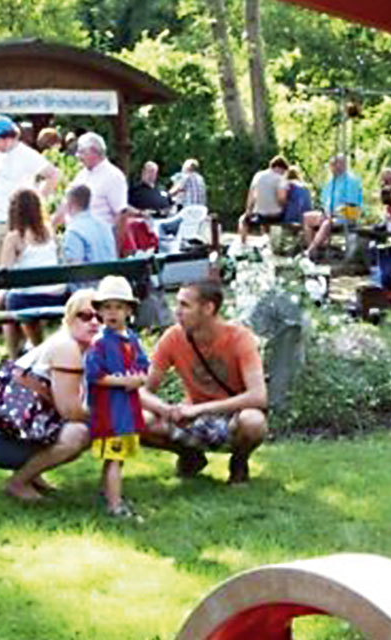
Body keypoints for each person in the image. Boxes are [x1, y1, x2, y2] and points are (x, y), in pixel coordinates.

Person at [0, 289, 100, 501]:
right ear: (69, 319)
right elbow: (70, 411)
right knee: (80, 433)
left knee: (87, 427)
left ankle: (32, 474)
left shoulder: (83, 347)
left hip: (9, 429)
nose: (94, 322)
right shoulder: (67, 347)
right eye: (85, 316)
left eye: (100, 316)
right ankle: (18, 482)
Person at [140, 280, 267, 484]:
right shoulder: (172, 337)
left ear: (208, 308)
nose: (177, 311)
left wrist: (199, 409)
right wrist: (166, 409)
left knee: (253, 421)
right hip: (191, 419)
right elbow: (143, 391)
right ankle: (190, 456)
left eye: (184, 305)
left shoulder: (240, 339)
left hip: (231, 418)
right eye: (177, 304)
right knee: (135, 419)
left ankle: (239, 463)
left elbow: (258, 396)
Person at [86, 276, 149, 519]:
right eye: (107, 307)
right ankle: (115, 505)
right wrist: (123, 381)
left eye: (119, 307)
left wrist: (140, 378)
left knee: (118, 456)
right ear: (99, 311)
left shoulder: (131, 339)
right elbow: (95, 375)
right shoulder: (100, 343)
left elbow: (143, 365)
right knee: (114, 456)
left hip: (126, 409)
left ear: (129, 310)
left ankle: (108, 492)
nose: (112, 313)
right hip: (109, 410)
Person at [0, 114, 59, 269]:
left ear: (7, 137)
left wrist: (36, 200)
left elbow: (54, 175)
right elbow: (0, 183)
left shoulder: (27, 154)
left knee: (15, 267)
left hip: (19, 220)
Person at [0, 188, 68, 358]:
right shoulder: (49, 232)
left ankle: (15, 356)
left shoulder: (15, 237)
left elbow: (4, 275)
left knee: (3, 304)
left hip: (28, 299)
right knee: (10, 301)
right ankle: (32, 348)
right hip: (56, 295)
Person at [52, 131, 141, 256]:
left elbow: (121, 215)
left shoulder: (113, 176)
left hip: (98, 244)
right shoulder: (82, 175)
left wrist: (114, 251)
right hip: (76, 238)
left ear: (94, 151)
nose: (78, 156)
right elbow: (67, 203)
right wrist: (49, 227)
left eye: (82, 152)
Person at [303, 154, 363, 259]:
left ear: (343, 165)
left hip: (347, 215)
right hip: (329, 214)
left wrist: (334, 213)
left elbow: (352, 205)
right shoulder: (331, 182)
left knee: (327, 223)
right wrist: (324, 212)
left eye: (335, 164)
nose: (332, 167)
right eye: (331, 165)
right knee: (307, 217)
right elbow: (324, 201)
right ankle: (315, 249)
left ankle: (310, 250)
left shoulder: (351, 181)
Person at [62, 184, 117, 266]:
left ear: (69, 204)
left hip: (90, 278)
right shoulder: (105, 226)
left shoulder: (74, 231)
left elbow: (74, 267)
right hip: (109, 276)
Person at [239, 155, 289, 242]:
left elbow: (251, 196)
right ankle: (269, 241)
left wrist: (248, 212)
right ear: (281, 168)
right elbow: (281, 198)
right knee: (279, 214)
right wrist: (285, 206)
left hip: (260, 214)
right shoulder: (281, 179)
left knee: (242, 220)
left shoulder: (257, 176)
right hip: (275, 216)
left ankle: (243, 243)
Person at [160, 158, 208, 238]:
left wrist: (164, 195)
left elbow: (173, 192)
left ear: (188, 168)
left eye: (184, 166)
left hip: (188, 212)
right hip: (200, 214)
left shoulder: (187, 177)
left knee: (162, 225)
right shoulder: (201, 179)